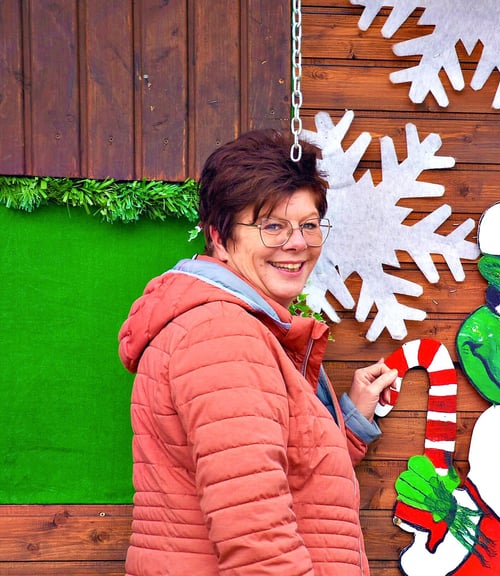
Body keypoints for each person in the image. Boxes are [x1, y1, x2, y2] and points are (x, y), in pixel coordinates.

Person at [118, 129, 398, 575]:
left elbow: (275, 475)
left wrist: (351, 421)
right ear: (219, 237)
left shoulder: (245, 328)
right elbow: (258, 540)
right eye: (272, 226)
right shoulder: (223, 337)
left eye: (309, 224)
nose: (298, 243)